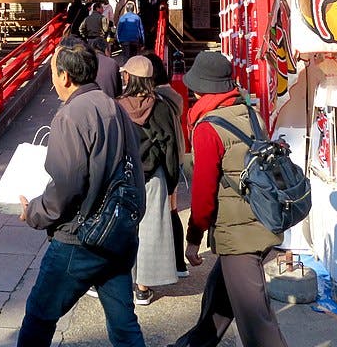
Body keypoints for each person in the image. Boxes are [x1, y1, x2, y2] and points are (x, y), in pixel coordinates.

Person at [17, 36, 146, 347]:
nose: (53, 81)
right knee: (123, 324)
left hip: (80, 236)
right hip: (117, 232)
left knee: (39, 315)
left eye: (52, 74)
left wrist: (34, 212)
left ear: (65, 76)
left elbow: (67, 185)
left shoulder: (72, 114)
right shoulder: (112, 106)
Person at [171, 51, 289, 347]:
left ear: (200, 88)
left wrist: (194, 236)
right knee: (219, 298)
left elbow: (203, 192)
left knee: (257, 321)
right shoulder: (251, 113)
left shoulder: (208, 127)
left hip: (239, 234)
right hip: (262, 218)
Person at [117, 55, 181, 305]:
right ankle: (143, 286)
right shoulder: (162, 106)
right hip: (154, 174)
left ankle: (123, 279)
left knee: (124, 228)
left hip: (125, 174)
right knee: (151, 229)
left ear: (128, 78)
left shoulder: (117, 106)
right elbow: (171, 146)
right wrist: (172, 180)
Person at [144, 50, 188, 279]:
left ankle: (169, 265)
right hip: (179, 154)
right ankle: (180, 263)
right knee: (173, 210)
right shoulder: (174, 95)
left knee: (162, 214)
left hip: (166, 158)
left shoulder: (155, 101)